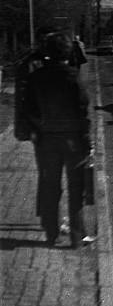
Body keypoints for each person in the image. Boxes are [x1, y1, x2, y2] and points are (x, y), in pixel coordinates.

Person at [22, 32, 93, 248]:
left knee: (51, 186)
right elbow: (83, 114)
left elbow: (29, 109)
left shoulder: (35, 78)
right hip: (73, 141)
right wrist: (88, 143)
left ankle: (52, 235)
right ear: (68, 52)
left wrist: (39, 128)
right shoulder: (74, 78)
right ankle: (77, 237)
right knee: (76, 189)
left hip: (46, 140)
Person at [14, 26, 54, 218]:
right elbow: (23, 100)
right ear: (39, 42)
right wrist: (27, 127)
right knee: (47, 173)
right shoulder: (31, 64)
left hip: (52, 125)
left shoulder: (51, 61)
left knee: (49, 173)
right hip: (40, 126)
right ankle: (48, 216)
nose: (47, 44)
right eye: (45, 40)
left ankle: (48, 215)